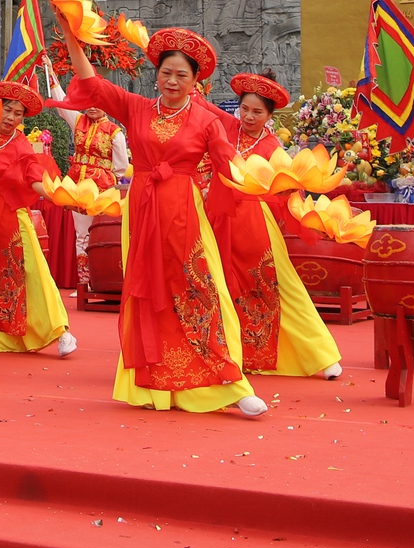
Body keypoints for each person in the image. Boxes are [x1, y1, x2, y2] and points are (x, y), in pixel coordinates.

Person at [60, 26, 264, 417]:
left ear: (195, 81)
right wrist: (72, 36)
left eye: (181, 75)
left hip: (183, 210)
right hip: (142, 209)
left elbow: (230, 168)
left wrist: (277, 185)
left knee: (199, 287)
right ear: (157, 73)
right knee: (147, 291)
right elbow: (91, 82)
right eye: (166, 72)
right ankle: (153, 383)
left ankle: (229, 381)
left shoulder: (206, 121)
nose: (172, 81)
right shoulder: (136, 108)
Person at [217, 73, 343, 380]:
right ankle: (235, 354)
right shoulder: (225, 127)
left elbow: (291, 191)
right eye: (244, 109)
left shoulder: (273, 147)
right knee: (224, 287)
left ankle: (323, 355)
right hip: (220, 219)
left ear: (270, 116)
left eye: (257, 112)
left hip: (255, 224)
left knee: (281, 286)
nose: (248, 116)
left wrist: (314, 222)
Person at [0, 80, 75, 358]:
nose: (11, 118)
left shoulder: (21, 146)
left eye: (18, 114)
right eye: (8, 110)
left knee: (32, 274)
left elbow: (35, 179)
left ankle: (60, 330)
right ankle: (0, 336)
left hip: (12, 217)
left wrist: (59, 197)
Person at [44, 68, 130, 290]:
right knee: (81, 235)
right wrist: (50, 73)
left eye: (98, 102)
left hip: (102, 192)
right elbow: (62, 104)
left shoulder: (114, 132)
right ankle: (84, 284)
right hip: (78, 189)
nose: (92, 106)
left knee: (100, 235)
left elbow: (121, 167)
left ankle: (101, 279)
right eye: (89, 101)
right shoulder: (78, 122)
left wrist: (104, 181)